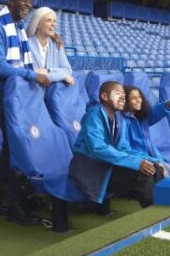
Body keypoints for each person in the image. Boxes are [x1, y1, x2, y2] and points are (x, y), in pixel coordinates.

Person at [0, 0, 51, 225]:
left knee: (15, 145)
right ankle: (10, 203)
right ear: (10, 2)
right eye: (24, 0)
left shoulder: (19, 30)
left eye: (30, 1)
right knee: (15, 145)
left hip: (16, 95)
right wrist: (32, 77)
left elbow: (26, 60)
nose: (28, 4)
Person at [69, 81, 162, 210]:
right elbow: (98, 149)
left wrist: (151, 160)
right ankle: (155, 217)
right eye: (118, 94)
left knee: (155, 168)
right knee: (144, 175)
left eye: (124, 95)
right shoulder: (94, 116)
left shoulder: (119, 118)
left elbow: (123, 149)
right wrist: (136, 163)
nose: (123, 98)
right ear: (104, 97)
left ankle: (165, 209)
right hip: (90, 169)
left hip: (107, 165)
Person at [121, 85, 170, 179]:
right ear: (125, 101)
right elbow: (126, 150)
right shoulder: (124, 121)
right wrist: (151, 160)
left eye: (139, 97)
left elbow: (154, 113)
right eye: (134, 98)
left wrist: (166, 105)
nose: (139, 100)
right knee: (167, 173)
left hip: (153, 157)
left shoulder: (141, 117)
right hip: (140, 160)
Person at [26, 7, 74, 85]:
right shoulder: (26, 44)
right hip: (31, 93)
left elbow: (68, 70)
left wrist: (48, 71)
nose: (53, 24)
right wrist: (61, 76)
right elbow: (25, 71)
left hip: (51, 94)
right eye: (49, 20)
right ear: (37, 23)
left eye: (54, 21)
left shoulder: (57, 46)